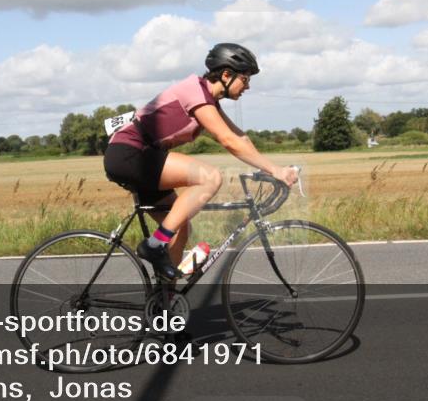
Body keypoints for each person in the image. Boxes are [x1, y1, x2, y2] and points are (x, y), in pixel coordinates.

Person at [103, 43, 299, 280]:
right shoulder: (194, 91)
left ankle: (165, 303)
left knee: (180, 227)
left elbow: (240, 138)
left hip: (142, 158)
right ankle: (154, 246)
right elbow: (227, 140)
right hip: (130, 154)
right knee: (210, 177)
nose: (247, 86)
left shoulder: (209, 100)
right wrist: (275, 171)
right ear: (226, 75)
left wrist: (273, 168)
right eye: (245, 79)